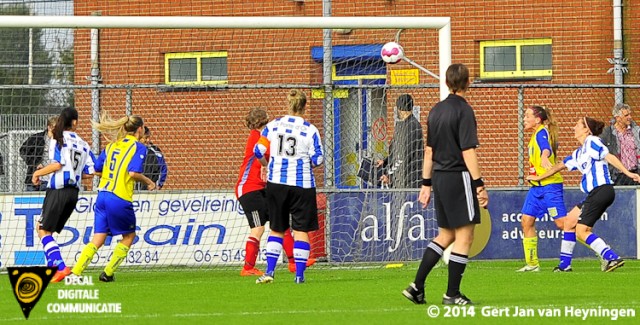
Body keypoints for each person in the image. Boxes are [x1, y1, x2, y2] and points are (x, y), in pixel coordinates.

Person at [402, 63, 488, 306]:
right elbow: (468, 150)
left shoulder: (435, 111)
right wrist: (479, 184)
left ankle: (416, 286)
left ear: (447, 83)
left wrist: (426, 184)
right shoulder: (464, 111)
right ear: (467, 82)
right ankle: (452, 293)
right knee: (465, 236)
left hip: (439, 177)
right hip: (458, 176)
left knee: (446, 234)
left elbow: (429, 151)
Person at [528, 117, 640, 272]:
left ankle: (611, 257)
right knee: (569, 222)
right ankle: (564, 265)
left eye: (577, 125)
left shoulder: (592, 141)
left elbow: (608, 156)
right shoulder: (579, 153)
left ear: (586, 130)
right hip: (596, 193)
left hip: (602, 190)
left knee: (582, 231)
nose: (573, 127)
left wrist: (628, 172)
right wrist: (538, 177)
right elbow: (559, 166)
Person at [71, 113, 156, 282]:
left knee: (98, 237)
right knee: (129, 236)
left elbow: (97, 169)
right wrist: (149, 182)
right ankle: (108, 273)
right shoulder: (138, 147)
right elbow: (133, 172)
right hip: (119, 197)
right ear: (140, 129)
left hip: (102, 195)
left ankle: (75, 273)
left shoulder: (111, 146)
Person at [254, 89, 324, 284]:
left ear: (288, 104)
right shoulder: (310, 129)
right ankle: (299, 276)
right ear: (304, 107)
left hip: (276, 183)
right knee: (300, 230)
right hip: (302, 185)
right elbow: (318, 158)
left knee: (277, 229)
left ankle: (269, 272)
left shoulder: (273, 125)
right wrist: (305, 163)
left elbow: (257, 149)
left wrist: (266, 166)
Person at [235, 108, 305, 276]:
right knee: (258, 228)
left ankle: (293, 263)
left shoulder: (263, 137)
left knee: (280, 223)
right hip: (249, 189)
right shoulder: (256, 137)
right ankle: (248, 268)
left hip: (261, 188)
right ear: (264, 121)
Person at [30, 108, 95, 283]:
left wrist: (38, 174)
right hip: (73, 193)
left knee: (42, 229)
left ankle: (60, 267)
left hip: (58, 190)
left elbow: (57, 164)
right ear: (74, 123)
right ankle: (54, 266)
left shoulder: (57, 139)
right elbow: (90, 172)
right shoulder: (84, 144)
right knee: (45, 229)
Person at [517, 106, 577, 273]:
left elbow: (546, 148)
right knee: (526, 221)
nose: (524, 119)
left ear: (537, 120)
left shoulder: (542, 132)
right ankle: (532, 264)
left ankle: (599, 247)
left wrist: (544, 156)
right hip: (536, 187)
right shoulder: (535, 134)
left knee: (563, 224)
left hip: (550, 186)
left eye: (527, 115)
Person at [377, 94, 424, 188]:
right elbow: (397, 151)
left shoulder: (411, 126)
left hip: (408, 180)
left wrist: (391, 177)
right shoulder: (406, 124)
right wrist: (385, 161)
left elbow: (404, 155)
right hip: (404, 178)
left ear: (399, 108)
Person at [599, 103, 640, 185]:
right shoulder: (608, 133)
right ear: (618, 118)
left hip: (636, 173)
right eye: (626, 115)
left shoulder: (636, 131)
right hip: (618, 175)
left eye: (630, 114)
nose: (630, 117)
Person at [20, 116, 57, 191]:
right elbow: (23, 151)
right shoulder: (37, 138)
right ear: (49, 127)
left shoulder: (61, 141)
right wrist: (35, 163)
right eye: (55, 129)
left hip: (52, 181)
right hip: (35, 180)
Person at [136, 126, 168, 190]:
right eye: (145, 138)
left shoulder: (154, 151)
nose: (148, 140)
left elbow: (163, 169)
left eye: (149, 137)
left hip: (149, 190)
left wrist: (158, 185)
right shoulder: (131, 150)